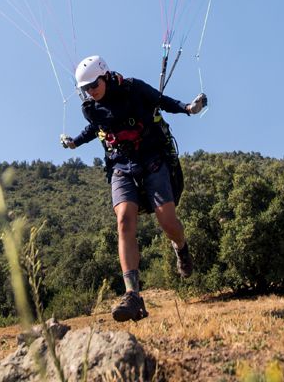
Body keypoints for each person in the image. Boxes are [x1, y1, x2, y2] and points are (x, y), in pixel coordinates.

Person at [60, 55, 207, 322]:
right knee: (124, 220)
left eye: (94, 85)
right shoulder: (91, 107)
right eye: (85, 89)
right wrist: (75, 143)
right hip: (121, 165)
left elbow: (161, 101)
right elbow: (95, 128)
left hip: (152, 159)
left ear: (104, 76)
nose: (91, 92)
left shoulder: (133, 88)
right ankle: (132, 295)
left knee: (168, 220)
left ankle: (181, 247)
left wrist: (187, 108)